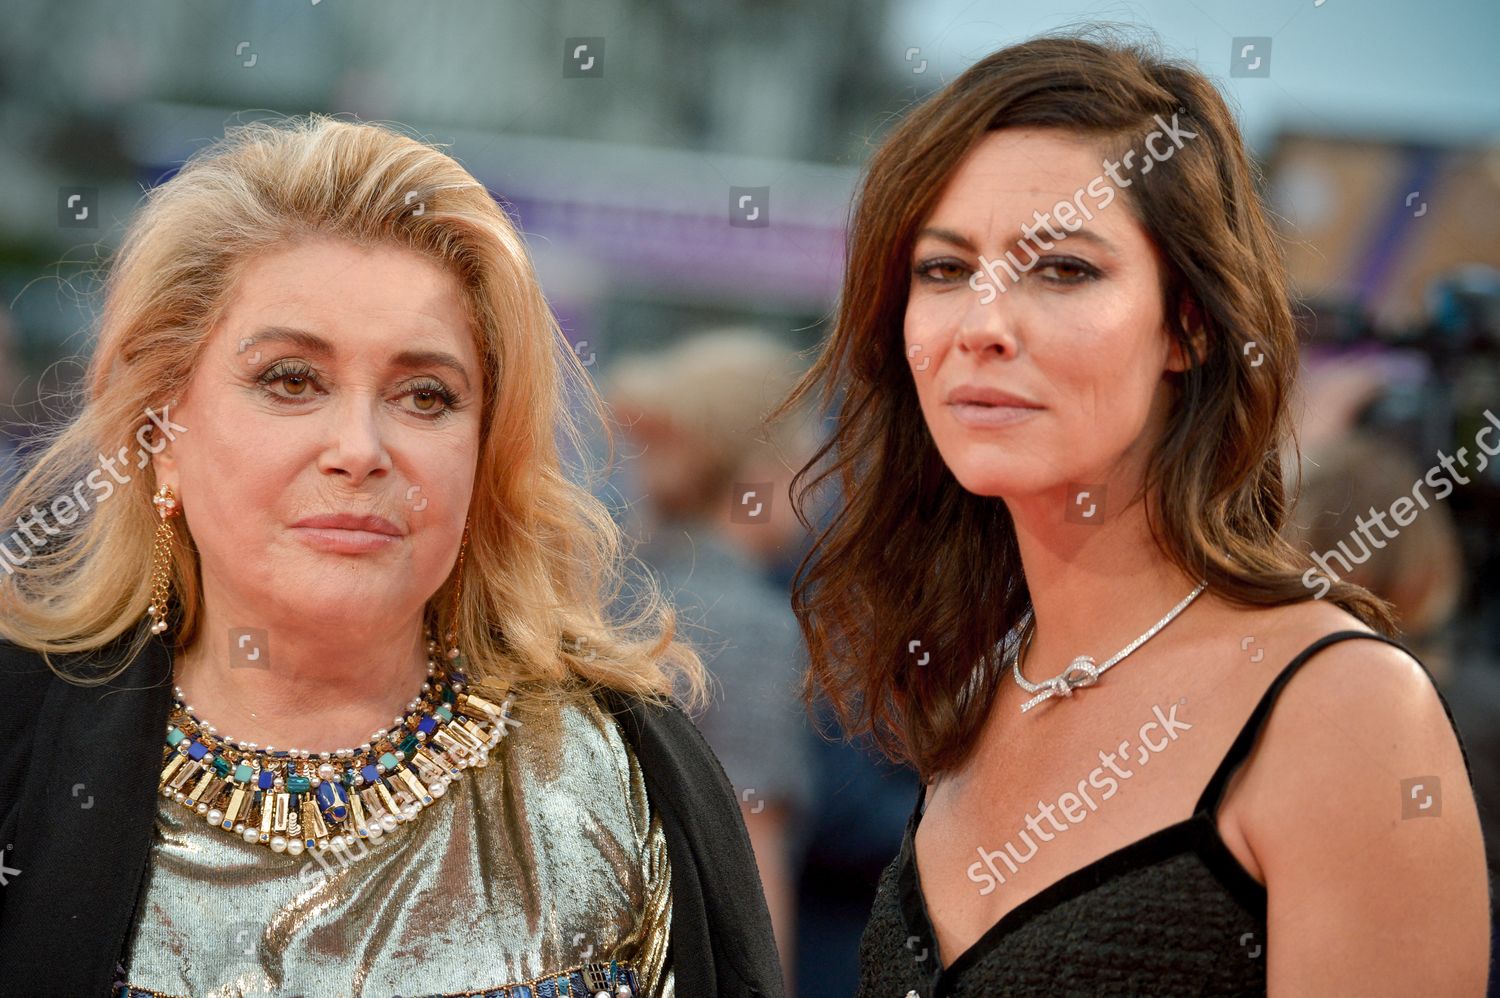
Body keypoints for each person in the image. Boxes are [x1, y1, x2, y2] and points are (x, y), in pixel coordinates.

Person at [766, 30, 1490, 996]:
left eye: (1062, 269)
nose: (982, 325)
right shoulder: (982, 685)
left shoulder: (1343, 712)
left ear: (1188, 324)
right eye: (943, 270)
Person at [0, 114, 783, 998]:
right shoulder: (19, 752)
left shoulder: (621, 778)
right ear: (162, 431)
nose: (360, 448)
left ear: (486, 452)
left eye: (425, 395)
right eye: (291, 380)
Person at [604, 328, 819, 992]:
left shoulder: (607, 591)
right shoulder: (750, 628)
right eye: (808, 459)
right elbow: (751, 864)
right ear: (766, 471)